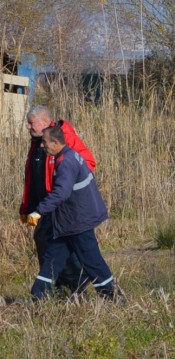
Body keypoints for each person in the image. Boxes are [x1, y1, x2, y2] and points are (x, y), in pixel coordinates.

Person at [27, 125, 117, 300]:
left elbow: (61, 192)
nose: (42, 146)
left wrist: (39, 212)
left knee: (92, 261)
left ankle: (113, 296)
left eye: (45, 143)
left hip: (78, 223)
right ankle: (38, 295)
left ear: (55, 142)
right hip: (67, 223)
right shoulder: (68, 155)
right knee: (52, 259)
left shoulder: (66, 162)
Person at [20, 105, 97, 291]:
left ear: (45, 122)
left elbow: (88, 163)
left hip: (61, 205)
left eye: (32, 124)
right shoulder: (37, 143)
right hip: (43, 206)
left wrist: (62, 184)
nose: (28, 127)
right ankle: (58, 286)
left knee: (64, 246)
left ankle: (76, 286)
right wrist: (26, 207)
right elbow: (33, 177)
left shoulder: (64, 138)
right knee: (43, 242)